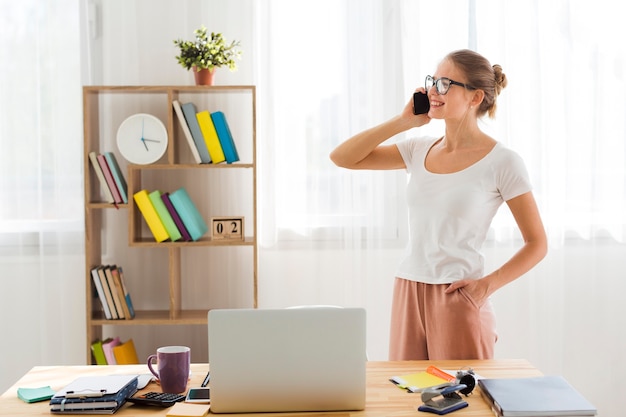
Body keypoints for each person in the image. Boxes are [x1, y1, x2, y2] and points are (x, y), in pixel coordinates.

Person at [329, 49, 547, 360]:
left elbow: (537, 243)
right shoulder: (418, 149)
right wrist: (403, 121)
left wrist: (486, 287)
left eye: (445, 83)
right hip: (408, 286)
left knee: (462, 401)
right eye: (432, 81)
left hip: (456, 293)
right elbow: (342, 157)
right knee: (407, 398)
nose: (433, 90)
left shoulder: (503, 162)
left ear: (475, 98)